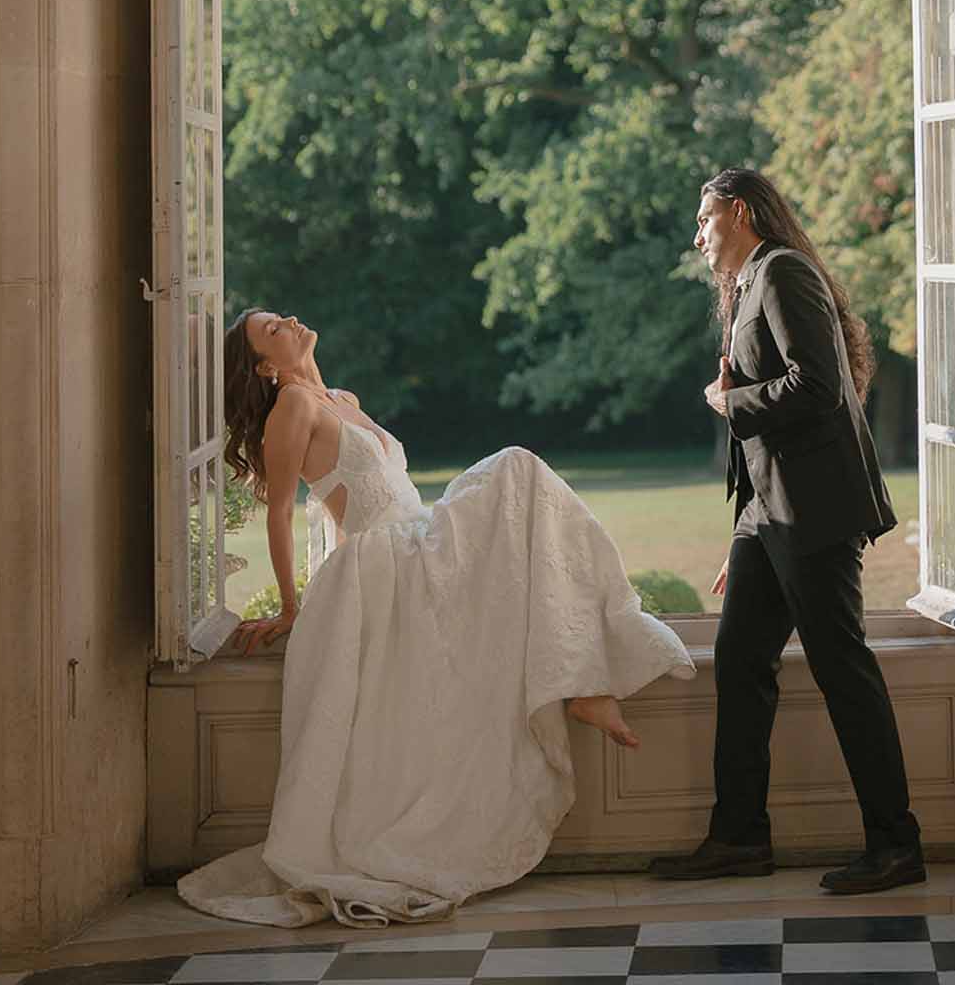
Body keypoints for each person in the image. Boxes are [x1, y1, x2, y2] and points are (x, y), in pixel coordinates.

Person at [177, 310, 693, 927]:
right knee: (516, 468)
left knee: (523, 491)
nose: (289, 320)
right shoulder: (292, 406)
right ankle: (582, 684)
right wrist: (291, 606)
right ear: (265, 366)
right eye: (272, 329)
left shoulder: (341, 398)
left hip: (417, 540)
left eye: (280, 317)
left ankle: (582, 680)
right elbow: (280, 512)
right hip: (389, 565)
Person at [648, 167, 925, 896]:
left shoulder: (782, 271)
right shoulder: (749, 284)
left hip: (813, 512)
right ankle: (739, 838)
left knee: (842, 668)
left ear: (739, 212)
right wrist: (744, 533)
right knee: (740, 661)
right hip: (767, 515)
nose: (697, 236)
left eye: (704, 220)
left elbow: (819, 386)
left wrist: (730, 402)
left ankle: (897, 844)